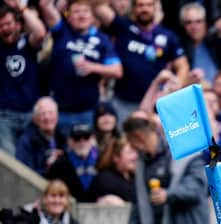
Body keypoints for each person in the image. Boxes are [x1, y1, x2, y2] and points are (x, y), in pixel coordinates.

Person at [122, 113, 211, 224]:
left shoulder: (185, 154)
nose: (132, 148)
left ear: (138, 137)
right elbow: (140, 198)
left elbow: (196, 189)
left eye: (130, 142)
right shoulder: (142, 162)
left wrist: (168, 195)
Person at [91, 0, 188, 120]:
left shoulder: (168, 36)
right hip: (124, 101)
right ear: (133, 9)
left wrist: (174, 89)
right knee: (123, 137)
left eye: (149, 5)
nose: (144, 9)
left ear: (155, 8)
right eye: (140, 5)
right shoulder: (123, 27)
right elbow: (98, 7)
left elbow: (183, 66)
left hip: (155, 104)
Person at [38, 0, 123, 137]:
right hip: (59, 111)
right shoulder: (61, 30)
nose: (82, 16)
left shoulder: (102, 40)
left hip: (88, 112)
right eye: (77, 12)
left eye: (85, 11)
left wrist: (92, 67)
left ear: (92, 16)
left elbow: (117, 70)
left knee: (87, 154)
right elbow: (45, 5)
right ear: (68, 16)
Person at [0, 1, 46, 155]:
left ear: (17, 23)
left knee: (30, 158)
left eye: (8, 24)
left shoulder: (26, 43)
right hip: (4, 117)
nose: (5, 29)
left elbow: (40, 32)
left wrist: (21, 7)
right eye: (1, 25)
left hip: (31, 114)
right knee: (11, 162)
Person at [47, 123, 100, 203]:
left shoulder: (102, 162)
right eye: (77, 138)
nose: (82, 142)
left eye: (86, 137)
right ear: (69, 141)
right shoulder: (59, 165)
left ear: (93, 140)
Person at [16, 97, 66, 177]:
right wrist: (48, 168)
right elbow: (25, 175)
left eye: (51, 113)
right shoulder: (26, 141)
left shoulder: (64, 137)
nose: (47, 118)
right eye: (42, 114)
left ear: (57, 116)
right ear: (34, 118)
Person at [91, 137, 137, 205]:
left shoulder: (135, 177)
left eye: (136, 152)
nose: (136, 156)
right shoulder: (105, 180)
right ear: (116, 157)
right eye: (130, 152)